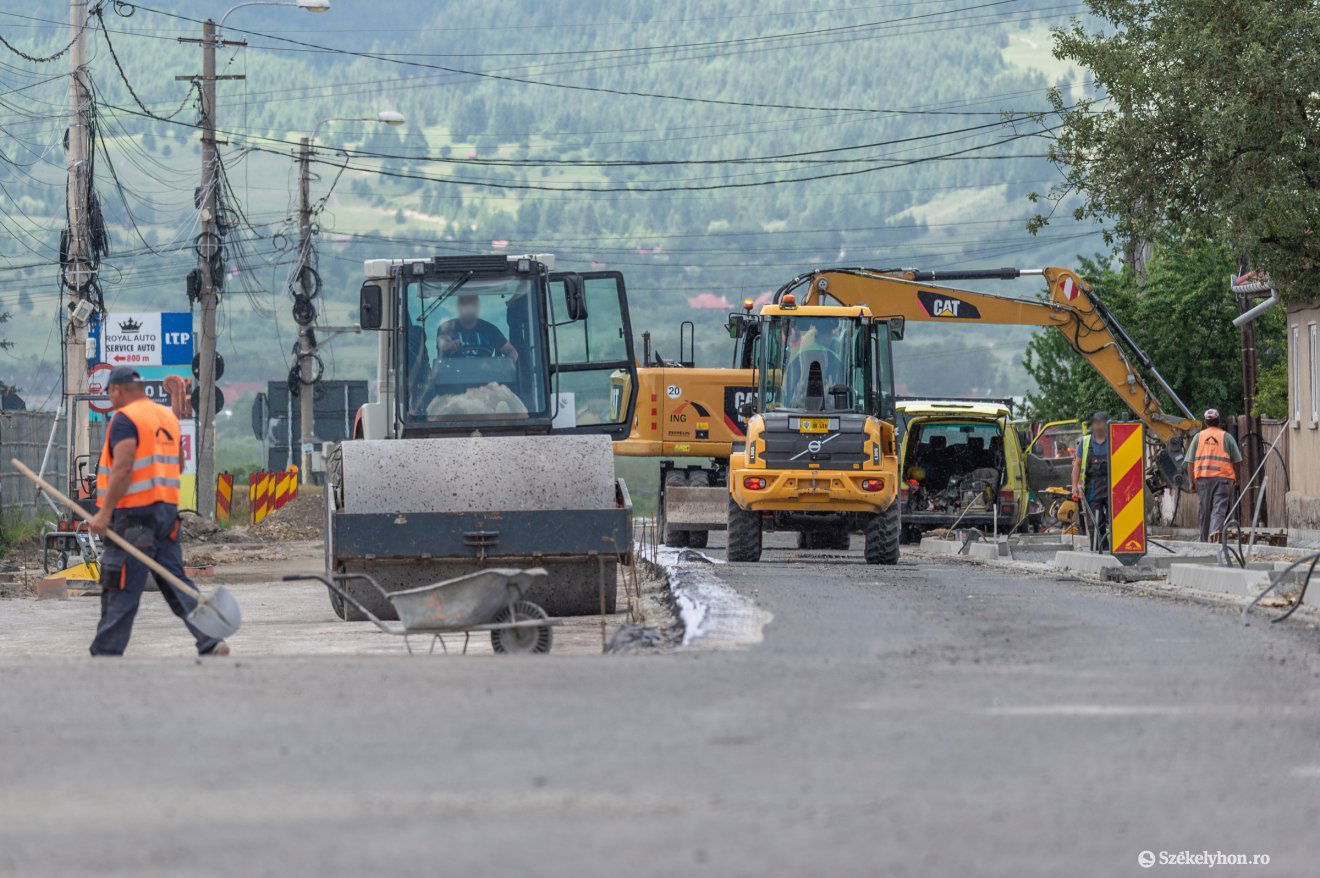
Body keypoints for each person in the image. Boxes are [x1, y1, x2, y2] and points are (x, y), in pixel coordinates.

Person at [87, 366, 229, 657]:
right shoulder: (166, 416)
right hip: (166, 515)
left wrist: (104, 514)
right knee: (176, 582)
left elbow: (124, 467)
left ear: (117, 389)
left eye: (110, 392)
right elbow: (177, 463)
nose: (110, 398)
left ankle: (105, 655)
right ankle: (211, 639)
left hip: (133, 517)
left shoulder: (125, 419)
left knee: (122, 585)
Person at [1187, 407, 1242, 542]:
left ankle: (1204, 542)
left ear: (1205, 422)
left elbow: (1190, 462)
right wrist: (1237, 478)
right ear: (1218, 422)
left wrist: (1191, 482)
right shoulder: (1226, 437)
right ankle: (1214, 541)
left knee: (1204, 512)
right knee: (1218, 511)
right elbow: (1237, 461)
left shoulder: (1198, 437)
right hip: (1222, 480)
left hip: (1202, 480)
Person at [1071, 411, 1111, 550]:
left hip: (1113, 486)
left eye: (1101, 423)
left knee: (1117, 520)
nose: (1098, 426)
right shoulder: (1086, 441)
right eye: (1096, 423)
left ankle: (1117, 548)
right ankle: (1099, 548)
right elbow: (1077, 465)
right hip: (1093, 488)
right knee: (1095, 522)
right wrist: (1074, 486)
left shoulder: (1115, 439)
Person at [437, 294, 518, 360]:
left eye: (472, 304)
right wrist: (448, 345)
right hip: (453, 378)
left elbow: (511, 351)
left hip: (488, 378)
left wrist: (503, 369)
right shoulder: (447, 328)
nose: (469, 308)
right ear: (459, 307)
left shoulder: (490, 329)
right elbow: (442, 343)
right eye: (465, 304)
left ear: (478, 307)